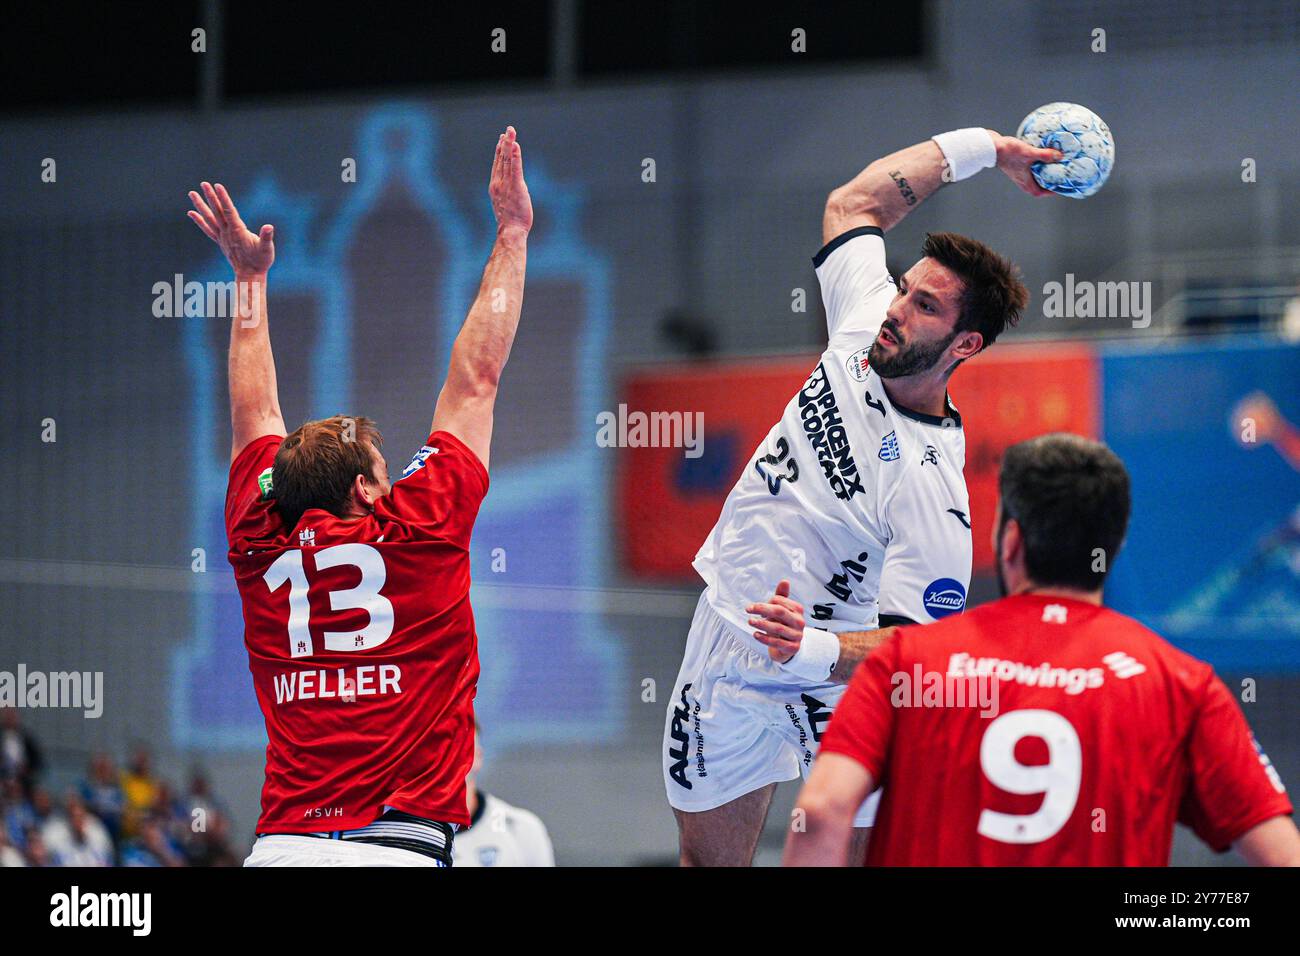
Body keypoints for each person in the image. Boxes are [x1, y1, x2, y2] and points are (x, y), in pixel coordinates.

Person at [664, 124, 1061, 865]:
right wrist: (987, 150)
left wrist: (810, 646)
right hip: (730, 633)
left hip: (840, 671)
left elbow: (920, 649)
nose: (897, 309)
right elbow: (855, 203)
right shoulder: (861, 322)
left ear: (964, 345)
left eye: (926, 307)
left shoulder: (932, 488)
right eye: (905, 288)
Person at [186, 125, 533, 867]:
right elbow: (476, 379)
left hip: (281, 848)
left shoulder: (259, 536)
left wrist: (248, 282)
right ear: (368, 490)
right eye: (384, 463)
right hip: (398, 848)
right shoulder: (420, 532)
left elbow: (254, 415)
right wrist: (511, 233)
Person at [778, 433, 1299, 866]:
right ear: (1112, 548)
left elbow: (822, 813)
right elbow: (1283, 856)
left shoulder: (905, 663)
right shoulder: (1181, 683)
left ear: (1010, 541)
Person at [452, 722, 555, 867]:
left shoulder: (521, 830)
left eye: (460, 744)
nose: (450, 757)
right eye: (440, 744)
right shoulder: (409, 834)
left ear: (478, 756)